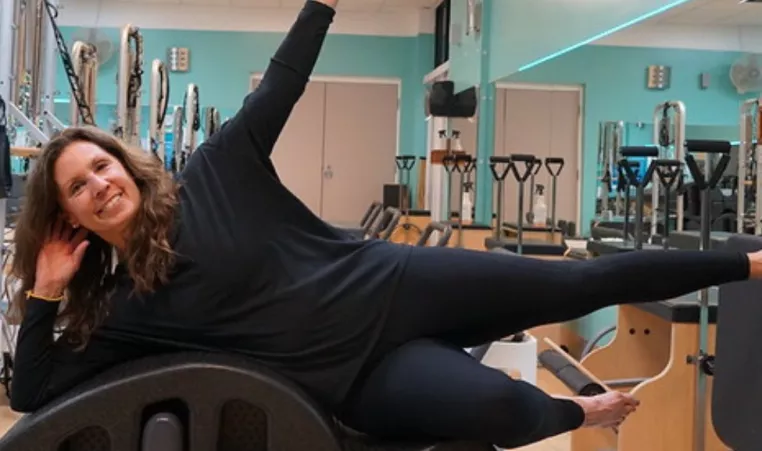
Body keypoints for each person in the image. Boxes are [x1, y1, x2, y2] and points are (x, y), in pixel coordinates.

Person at [7, 0, 761, 448]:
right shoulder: (115, 311)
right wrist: (44, 291)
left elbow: (281, 84)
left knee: (583, 280)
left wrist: (322, 6)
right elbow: (34, 394)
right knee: (500, 408)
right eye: (77, 186)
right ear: (65, 212)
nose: (99, 184)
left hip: (396, 285)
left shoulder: (213, 169)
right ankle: (582, 409)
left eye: (100, 166)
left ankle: (748, 262)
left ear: (123, 163)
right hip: (355, 375)